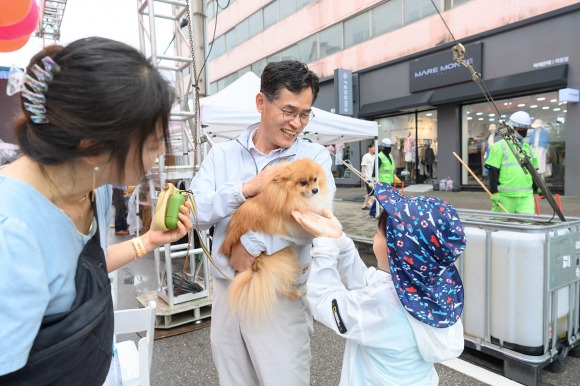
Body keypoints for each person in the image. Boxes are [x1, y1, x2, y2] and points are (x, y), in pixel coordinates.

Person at [0, 37, 193, 384]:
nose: (162, 152)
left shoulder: (93, 184)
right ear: (92, 148)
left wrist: (148, 241)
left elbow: (80, 266)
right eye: (152, 143)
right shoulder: (9, 231)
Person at [190, 60, 336, 385]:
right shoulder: (222, 155)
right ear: (261, 103)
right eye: (289, 111)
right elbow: (195, 211)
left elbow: (314, 217)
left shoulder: (314, 158)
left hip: (279, 296)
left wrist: (252, 245)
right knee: (233, 379)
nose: (297, 123)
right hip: (227, 292)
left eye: (305, 114)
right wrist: (244, 189)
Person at [291, 182, 466, 385]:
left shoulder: (385, 303)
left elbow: (325, 301)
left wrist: (324, 246)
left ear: (397, 249)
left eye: (379, 233)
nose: (375, 236)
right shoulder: (431, 290)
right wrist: (340, 240)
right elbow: (366, 281)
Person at [484, 111, 539, 214]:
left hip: (526, 196)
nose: (524, 132)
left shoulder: (529, 149)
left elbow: (534, 172)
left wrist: (539, 187)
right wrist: (494, 192)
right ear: (511, 128)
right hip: (505, 197)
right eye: (521, 130)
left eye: (525, 129)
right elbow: (493, 171)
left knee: (527, 226)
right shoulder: (500, 146)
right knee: (501, 228)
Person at [360, 142, 375, 209]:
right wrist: (362, 176)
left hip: (374, 178)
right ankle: (377, 206)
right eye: (373, 147)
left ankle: (364, 205)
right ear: (369, 148)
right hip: (368, 178)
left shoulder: (375, 156)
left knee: (370, 193)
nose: (374, 148)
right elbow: (363, 166)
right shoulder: (366, 156)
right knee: (371, 193)